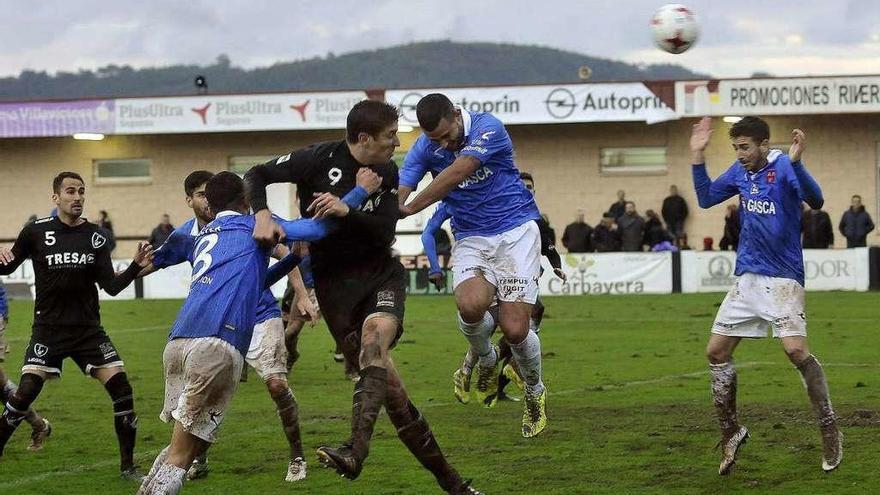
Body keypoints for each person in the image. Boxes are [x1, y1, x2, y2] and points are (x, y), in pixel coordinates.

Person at [245, 100, 480, 494]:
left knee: (374, 343)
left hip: (379, 276)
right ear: (365, 138)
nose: (397, 141)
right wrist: (262, 213)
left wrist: (346, 209)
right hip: (336, 292)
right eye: (391, 135)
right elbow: (256, 173)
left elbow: (384, 230)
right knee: (397, 400)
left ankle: (355, 450)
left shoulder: (386, 170)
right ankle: (454, 485)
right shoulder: (316, 159)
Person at [137, 170, 349, 483]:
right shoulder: (249, 224)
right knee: (186, 442)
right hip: (222, 332)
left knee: (262, 391)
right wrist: (353, 198)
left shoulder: (199, 236)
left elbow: (266, 269)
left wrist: (299, 286)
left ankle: (296, 457)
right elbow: (313, 231)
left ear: (209, 202)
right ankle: (185, 467)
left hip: (203, 330)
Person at [690, 116, 842, 475]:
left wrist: (799, 163)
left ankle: (828, 427)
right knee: (716, 352)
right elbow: (706, 197)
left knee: (794, 350)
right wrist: (697, 156)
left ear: (763, 144)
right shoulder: (740, 172)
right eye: (736, 148)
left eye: (745, 147)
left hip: (784, 277)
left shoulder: (784, 167)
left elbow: (816, 200)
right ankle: (731, 431)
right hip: (747, 278)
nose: (740, 155)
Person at [398, 93, 547, 440]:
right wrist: (392, 207)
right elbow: (402, 187)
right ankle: (487, 358)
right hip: (471, 236)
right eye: (436, 141)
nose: (444, 144)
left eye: (448, 136)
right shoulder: (425, 146)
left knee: (514, 329)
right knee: (469, 305)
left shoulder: (488, 127)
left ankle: (535, 391)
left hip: (515, 232)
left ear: (455, 114)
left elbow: (459, 171)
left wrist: (411, 207)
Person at [0, 171, 152, 479]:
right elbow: (8, 264)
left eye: (81, 191)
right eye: (70, 191)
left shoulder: (96, 236)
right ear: (56, 197)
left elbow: (110, 286)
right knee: (25, 391)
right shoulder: (34, 232)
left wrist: (135, 265)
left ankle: (128, 467)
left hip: (87, 331)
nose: (78, 197)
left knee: (122, 389)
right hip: (49, 329)